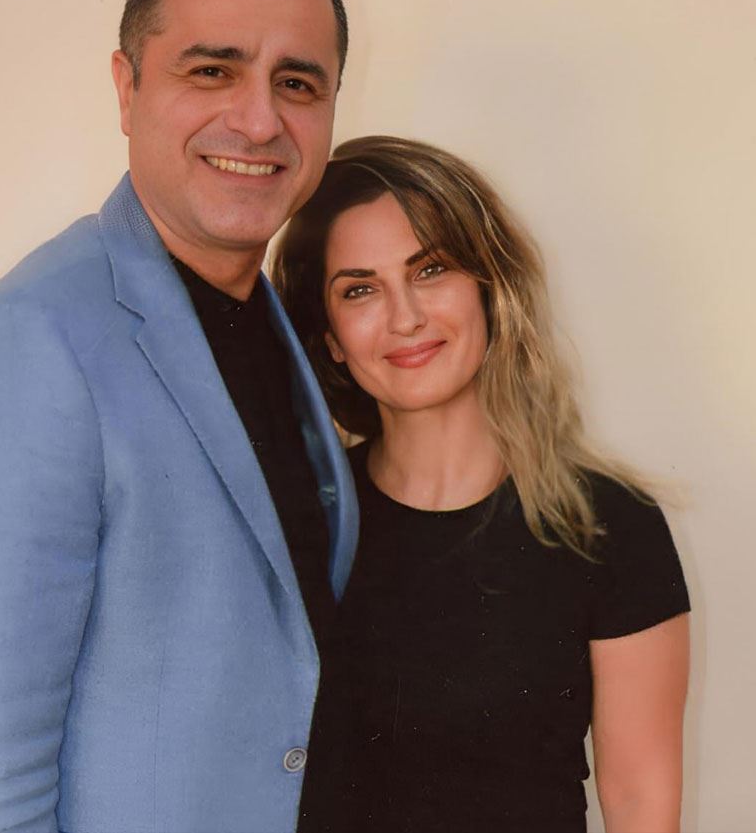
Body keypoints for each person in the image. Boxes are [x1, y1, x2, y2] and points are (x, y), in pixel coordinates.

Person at [0, 0, 359, 833]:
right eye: (212, 71)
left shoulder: (283, 323)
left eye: (298, 84)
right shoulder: (34, 339)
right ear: (127, 87)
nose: (259, 120)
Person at [273, 136, 691, 833]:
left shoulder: (609, 526)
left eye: (430, 269)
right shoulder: (297, 526)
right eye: (360, 289)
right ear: (331, 338)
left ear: (490, 290)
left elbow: (640, 802)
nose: (405, 316)